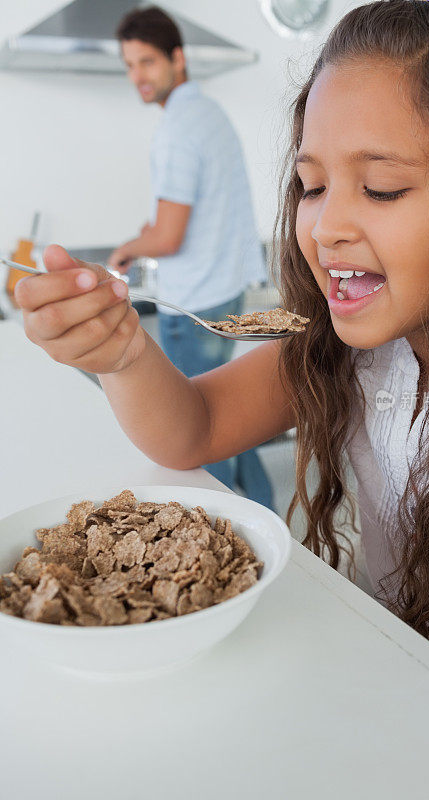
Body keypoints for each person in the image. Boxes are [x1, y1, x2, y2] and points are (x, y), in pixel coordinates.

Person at [16, 0, 429, 714]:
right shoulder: (349, 357)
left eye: (380, 187)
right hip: (384, 683)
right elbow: (191, 428)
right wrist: (122, 354)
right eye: (311, 186)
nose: (324, 226)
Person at [108, 6, 273, 508]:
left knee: (199, 444)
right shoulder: (211, 114)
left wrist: (126, 249)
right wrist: (151, 233)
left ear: (177, 58)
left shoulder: (178, 129)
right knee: (231, 422)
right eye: (130, 64)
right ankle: (279, 527)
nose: (137, 75)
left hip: (196, 304)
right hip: (227, 292)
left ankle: (235, 549)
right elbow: (185, 221)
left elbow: (170, 238)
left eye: (147, 62)